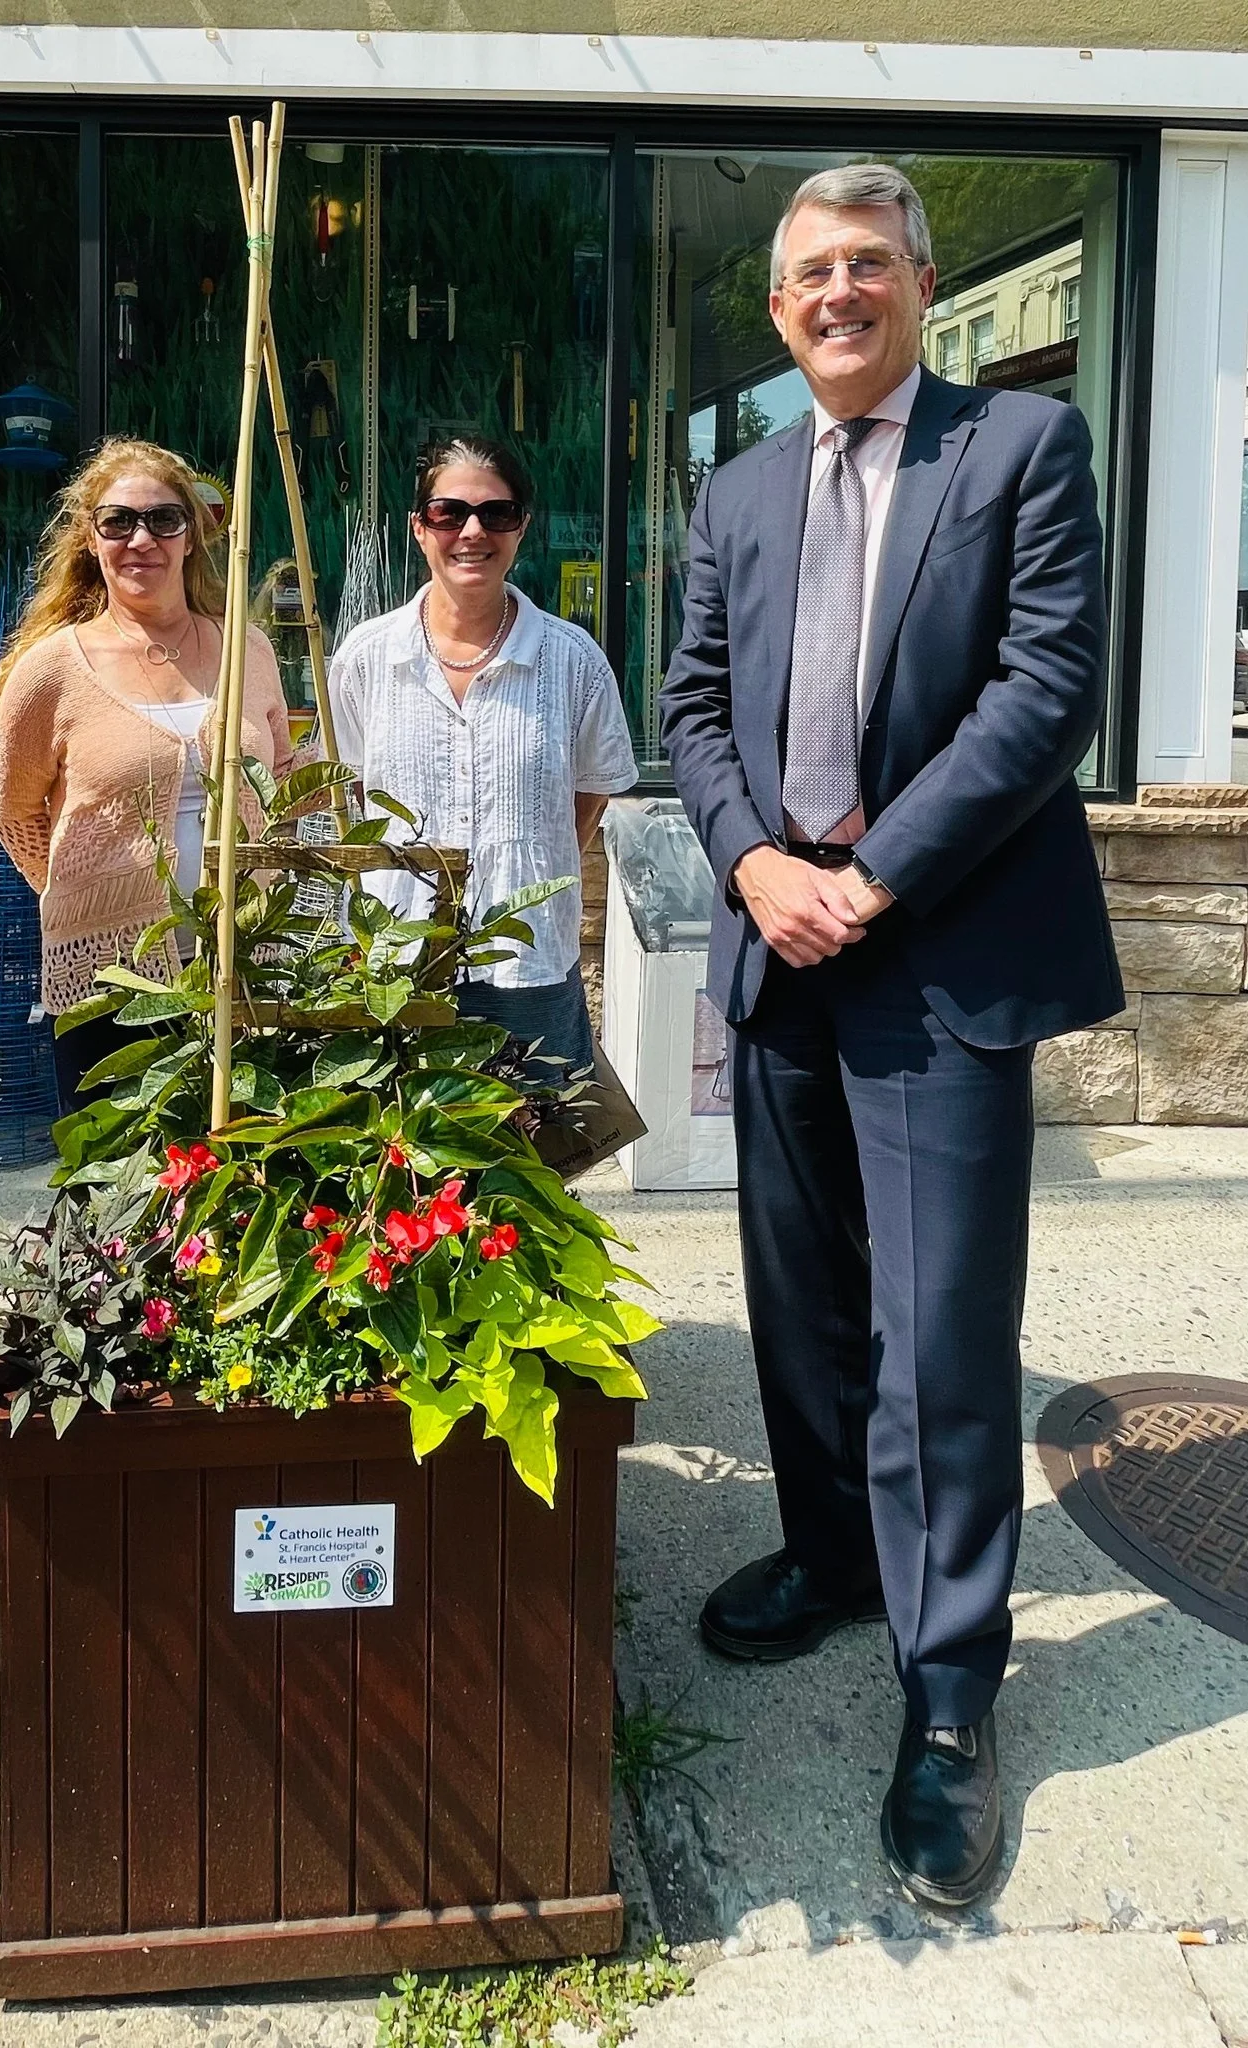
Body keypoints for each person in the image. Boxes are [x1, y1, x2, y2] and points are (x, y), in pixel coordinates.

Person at [659, 165, 1122, 1907]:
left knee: (937, 1342)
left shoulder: (1016, 452)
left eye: (866, 264)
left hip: (937, 954)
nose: (837, 294)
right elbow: (696, 702)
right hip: (779, 945)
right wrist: (760, 860)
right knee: (805, 1306)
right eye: (806, 277)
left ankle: (947, 1696)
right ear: (777, 315)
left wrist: (873, 878)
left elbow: (1042, 693)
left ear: (921, 284)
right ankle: (837, 1558)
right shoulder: (742, 487)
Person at [0, 437, 302, 1113]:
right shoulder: (54, 668)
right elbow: (10, 808)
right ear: (91, 540)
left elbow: (277, 775)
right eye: (118, 521)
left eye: (162, 519)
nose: (140, 539)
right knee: (122, 1189)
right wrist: (84, 894)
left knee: (238, 1178)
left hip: (242, 961)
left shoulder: (248, 650)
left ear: (192, 536)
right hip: (110, 979)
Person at [327, 435, 637, 1070]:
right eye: (448, 513)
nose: (472, 531)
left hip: (529, 965)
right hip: (398, 966)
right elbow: (353, 791)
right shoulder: (367, 658)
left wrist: (521, 872)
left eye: (495, 513)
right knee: (399, 1160)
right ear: (419, 528)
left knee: (533, 1155)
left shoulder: (572, 661)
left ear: (520, 528)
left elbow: (587, 798)